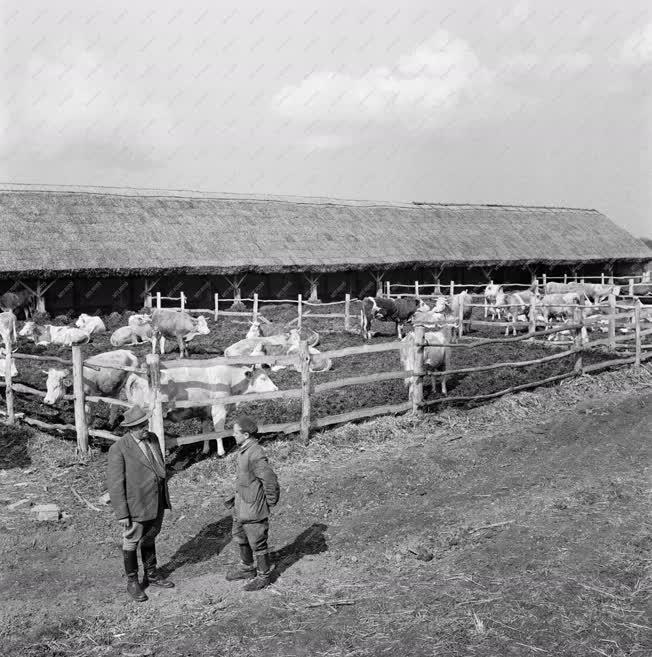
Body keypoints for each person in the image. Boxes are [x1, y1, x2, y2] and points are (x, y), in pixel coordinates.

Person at [107, 405, 174, 602]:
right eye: (140, 425)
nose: (145, 427)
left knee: (150, 536)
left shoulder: (152, 438)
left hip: (156, 499)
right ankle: (132, 582)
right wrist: (122, 513)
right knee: (131, 541)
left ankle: (152, 575)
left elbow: (159, 465)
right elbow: (115, 484)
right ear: (130, 428)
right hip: (136, 504)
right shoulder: (119, 448)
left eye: (145, 423)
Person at [225, 414, 280, 591]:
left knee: (257, 541)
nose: (233, 435)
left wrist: (269, 501)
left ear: (246, 435)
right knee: (240, 537)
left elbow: (269, 479)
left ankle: (264, 575)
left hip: (253, 507)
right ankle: (247, 568)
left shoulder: (255, 453)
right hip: (242, 504)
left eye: (236, 432)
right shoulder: (243, 450)